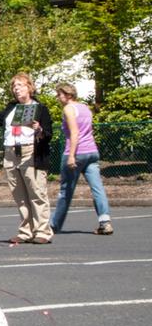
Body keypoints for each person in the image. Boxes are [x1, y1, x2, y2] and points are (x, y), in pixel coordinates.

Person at [0, 73, 53, 244]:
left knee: (37, 192)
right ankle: (26, 231)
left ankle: (42, 231)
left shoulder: (40, 108)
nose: (16, 89)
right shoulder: (11, 108)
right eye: (14, 86)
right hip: (11, 152)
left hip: (31, 152)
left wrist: (39, 129)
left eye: (20, 85)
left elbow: (48, 134)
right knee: (19, 195)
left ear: (30, 87)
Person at [49, 83, 113, 237]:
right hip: (92, 152)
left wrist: (71, 155)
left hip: (77, 152)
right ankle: (105, 222)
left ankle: (53, 225)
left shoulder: (68, 109)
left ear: (68, 95)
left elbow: (75, 133)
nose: (58, 97)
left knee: (66, 191)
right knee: (97, 188)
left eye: (60, 94)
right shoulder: (85, 107)